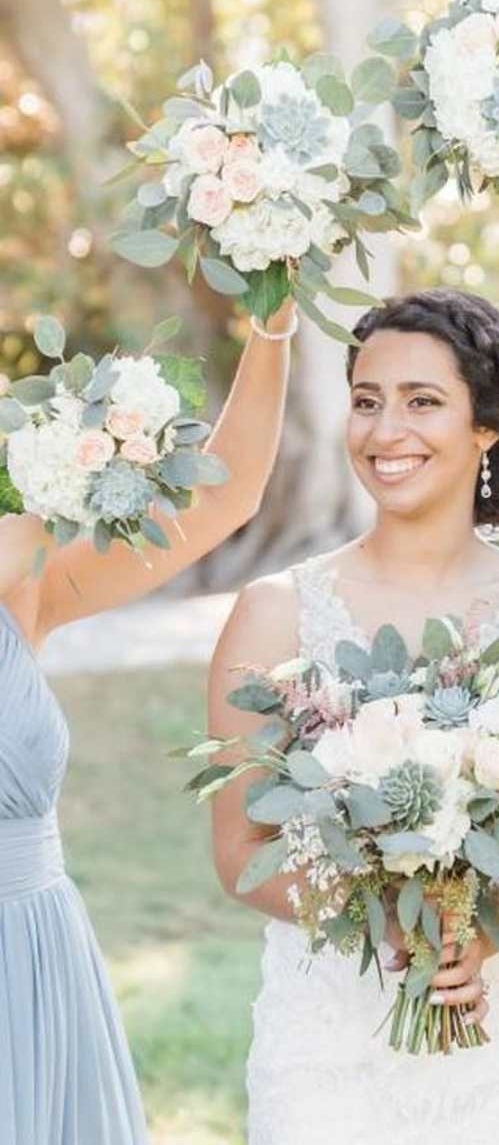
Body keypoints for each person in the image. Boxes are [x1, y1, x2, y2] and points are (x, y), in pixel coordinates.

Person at [210, 289, 499, 1145]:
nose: (387, 432)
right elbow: (239, 853)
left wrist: (487, 931)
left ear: (487, 426)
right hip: (332, 1042)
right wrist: (392, 917)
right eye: (366, 401)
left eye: (424, 401)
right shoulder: (276, 611)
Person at [0, 301, 295, 1145]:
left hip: (31, 962)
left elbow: (226, 492)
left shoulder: (25, 592)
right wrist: (66, 458)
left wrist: (273, 320)